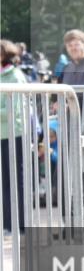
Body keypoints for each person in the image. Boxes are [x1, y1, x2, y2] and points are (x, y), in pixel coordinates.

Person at [1, 40, 27, 232]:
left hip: (14, 133)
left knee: (15, 181)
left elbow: (14, 109)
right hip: (2, 134)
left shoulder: (15, 76)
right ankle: (8, 223)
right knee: (4, 182)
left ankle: (19, 224)